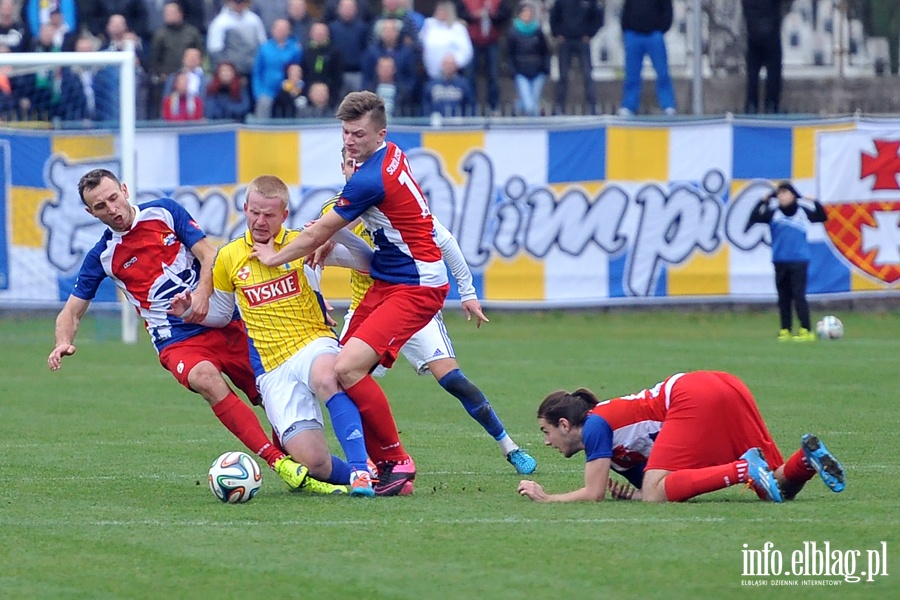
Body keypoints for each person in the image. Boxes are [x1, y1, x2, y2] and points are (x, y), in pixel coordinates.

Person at [46, 169, 333, 495]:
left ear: (125, 190)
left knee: (273, 400)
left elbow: (209, 254)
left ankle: (310, 463)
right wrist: (63, 342)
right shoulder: (103, 256)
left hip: (222, 321)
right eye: (100, 206)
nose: (111, 208)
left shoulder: (165, 212)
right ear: (90, 213)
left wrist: (201, 295)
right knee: (205, 378)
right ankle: (277, 461)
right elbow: (71, 311)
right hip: (176, 340)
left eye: (113, 198)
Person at [252, 91, 450, 496]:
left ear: (380, 134)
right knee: (341, 368)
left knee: (345, 369)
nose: (349, 141)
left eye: (358, 134)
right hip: (389, 278)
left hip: (416, 284)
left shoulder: (370, 177)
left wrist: (273, 260)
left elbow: (317, 231)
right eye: (345, 132)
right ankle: (381, 466)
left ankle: (395, 460)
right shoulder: (391, 153)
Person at [322, 148, 538, 475]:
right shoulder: (337, 211)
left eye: (361, 164)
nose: (356, 170)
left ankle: (508, 445)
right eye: (350, 165)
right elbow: (325, 257)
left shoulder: (395, 200)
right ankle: (368, 462)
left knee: (453, 379)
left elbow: (446, 243)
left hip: (410, 303)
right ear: (342, 168)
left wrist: (468, 294)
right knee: (339, 377)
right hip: (369, 307)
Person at [168, 175, 378, 497]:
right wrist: (188, 311)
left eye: (269, 214)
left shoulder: (304, 243)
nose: (260, 221)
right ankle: (369, 477)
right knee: (314, 464)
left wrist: (336, 232)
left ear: (285, 215)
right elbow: (223, 315)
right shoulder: (228, 257)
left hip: (313, 343)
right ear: (245, 208)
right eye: (254, 212)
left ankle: (362, 470)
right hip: (272, 368)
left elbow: (367, 262)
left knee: (327, 376)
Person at [517, 371, 845, 503]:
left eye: (545, 431)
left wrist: (548, 498)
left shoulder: (594, 425)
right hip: (724, 384)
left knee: (656, 493)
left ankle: (742, 469)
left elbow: (594, 493)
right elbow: (671, 483)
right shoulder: (613, 443)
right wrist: (637, 496)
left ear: (564, 424)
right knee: (776, 486)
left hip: (690, 394)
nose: (546, 442)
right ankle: (806, 460)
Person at [745, 181, 827, 342]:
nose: (782, 196)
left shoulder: (802, 211)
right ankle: (785, 329)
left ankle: (805, 330)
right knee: (783, 297)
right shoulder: (774, 213)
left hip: (799, 260)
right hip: (780, 260)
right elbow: (754, 217)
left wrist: (814, 202)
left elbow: (822, 216)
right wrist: (763, 201)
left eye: (785, 193)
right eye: (779, 193)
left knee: (799, 296)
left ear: (793, 195)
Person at [618, 0, 676, 116]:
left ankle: (668, 105)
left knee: (662, 73)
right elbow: (626, 9)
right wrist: (626, 30)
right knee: (631, 74)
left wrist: (661, 28)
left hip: (654, 35)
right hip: (633, 35)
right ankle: (629, 106)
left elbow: (668, 10)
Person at [456, 0, 511, 115]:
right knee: (470, 75)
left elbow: (506, 15)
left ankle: (493, 106)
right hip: (472, 40)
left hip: (492, 40)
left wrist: (493, 15)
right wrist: (473, 16)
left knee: (493, 74)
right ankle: (471, 107)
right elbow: (460, 14)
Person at [549, 0, 602, 115]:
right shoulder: (560, 2)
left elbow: (598, 18)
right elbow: (553, 17)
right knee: (563, 76)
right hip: (565, 41)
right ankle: (559, 108)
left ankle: (592, 107)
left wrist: (590, 34)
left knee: (587, 74)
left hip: (582, 41)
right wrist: (557, 34)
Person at [741, 0, 789, 114]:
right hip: (771, 30)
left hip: (752, 31)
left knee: (752, 71)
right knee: (774, 71)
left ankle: (751, 105)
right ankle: (771, 105)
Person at [506, 0, 550, 117]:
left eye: (529, 12)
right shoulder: (513, 32)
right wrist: (513, 70)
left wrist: (545, 67)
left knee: (534, 106)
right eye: (525, 13)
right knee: (529, 106)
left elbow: (545, 51)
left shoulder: (537, 31)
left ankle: (534, 129)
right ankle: (519, 106)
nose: (527, 15)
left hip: (538, 72)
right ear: (520, 14)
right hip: (521, 72)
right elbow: (509, 54)